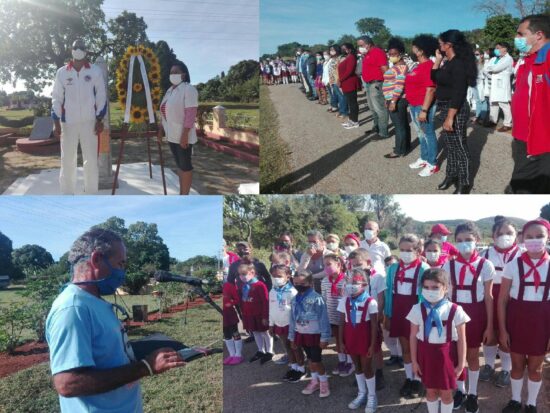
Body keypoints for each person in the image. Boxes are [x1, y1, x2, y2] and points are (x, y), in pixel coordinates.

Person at [45, 229, 184, 412]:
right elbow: (68, 383)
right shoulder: (73, 309)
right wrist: (145, 366)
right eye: (120, 263)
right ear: (96, 260)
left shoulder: (93, 300)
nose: (123, 271)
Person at [442, 221, 495, 413]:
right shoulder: (449, 265)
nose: (464, 244)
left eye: (469, 240)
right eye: (460, 240)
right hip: (453, 313)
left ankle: (473, 393)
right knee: (455, 355)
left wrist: (489, 326)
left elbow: (489, 297)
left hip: (476, 314)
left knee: (472, 355)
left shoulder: (485, 264)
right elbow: (444, 294)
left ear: (477, 240)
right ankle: (460, 390)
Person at [498, 218, 550, 413]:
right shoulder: (513, 265)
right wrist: (503, 330)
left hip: (543, 323)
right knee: (517, 366)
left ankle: (531, 404)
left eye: (539, 236)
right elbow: (502, 300)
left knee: (536, 369)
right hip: (517, 320)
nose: (534, 240)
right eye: (529, 236)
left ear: (547, 237)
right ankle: (515, 400)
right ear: (522, 238)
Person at [408, 268, 469, 413]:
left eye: (435, 287)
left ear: (445, 288)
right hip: (426, 355)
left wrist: (461, 364)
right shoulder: (417, 309)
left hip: (447, 356)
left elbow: (462, 339)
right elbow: (412, 337)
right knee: (430, 392)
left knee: (446, 394)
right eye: (426, 287)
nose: (430, 291)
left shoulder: (455, 309)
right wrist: (414, 362)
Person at [51, 38, 107, 195]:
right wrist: (56, 122)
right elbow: (56, 97)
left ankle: (91, 194)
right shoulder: (62, 72)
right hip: (68, 123)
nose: (79, 50)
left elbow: (101, 96)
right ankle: (67, 194)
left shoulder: (95, 71)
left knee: (90, 161)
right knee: (67, 160)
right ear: (71, 50)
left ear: (86, 50)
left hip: (90, 122)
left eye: (82, 47)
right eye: (76, 47)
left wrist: (100, 118)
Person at [432, 30, 478, 194]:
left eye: (440, 43)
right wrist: (438, 60)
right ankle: (451, 175)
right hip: (445, 106)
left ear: (448, 44)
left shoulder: (458, 63)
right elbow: (435, 76)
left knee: (459, 146)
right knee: (451, 146)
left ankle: (464, 183)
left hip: (455, 108)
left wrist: (450, 117)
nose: (439, 45)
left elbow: (459, 91)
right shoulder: (448, 61)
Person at [384, 234, 429, 399]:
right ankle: (409, 378)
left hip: (417, 312)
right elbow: (390, 292)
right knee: (406, 348)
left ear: (418, 251)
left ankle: (419, 379)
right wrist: (388, 314)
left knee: (418, 347)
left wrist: (423, 316)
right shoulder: (393, 269)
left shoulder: (424, 268)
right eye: (402, 250)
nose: (405, 253)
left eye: (409, 250)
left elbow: (426, 295)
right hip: (399, 310)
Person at [509, 14, 550, 194]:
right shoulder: (527, 59)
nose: (517, 38)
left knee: (522, 188)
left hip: (540, 143)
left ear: (538, 35)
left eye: (521, 34)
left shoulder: (547, 58)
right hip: (522, 137)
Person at [479, 216, 521, 387]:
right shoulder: (485, 254)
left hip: (512, 299)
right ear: (493, 235)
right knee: (490, 334)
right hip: (489, 296)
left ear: (516, 235)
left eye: (509, 233)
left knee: (506, 335)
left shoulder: (523, 254)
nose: (505, 236)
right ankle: (489, 365)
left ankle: (506, 368)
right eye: (500, 233)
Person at [338, 268, 379, 412]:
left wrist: (372, 345)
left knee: (367, 367)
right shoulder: (345, 300)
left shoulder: (370, 301)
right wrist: (341, 342)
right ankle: (362, 393)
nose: (351, 285)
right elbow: (342, 323)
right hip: (350, 337)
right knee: (357, 366)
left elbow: (374, 325)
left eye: (355, 282)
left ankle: (372, 396)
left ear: (364, 284)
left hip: (365, 337)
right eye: (349, 281)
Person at [348, 248, 388, 390]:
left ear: (368, 262)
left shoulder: (378, 277)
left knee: (375, 347)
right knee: (360, 346)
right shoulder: (352, 277)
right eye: (353, 265)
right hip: (357, 318)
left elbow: (382, 298)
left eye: (358, 264)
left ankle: (379, 372)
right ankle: (363, 372)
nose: (355, 268)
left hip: (373, 316)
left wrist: (379, 316)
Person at [289, 270, 332, 398]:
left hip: (314, 335)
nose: (299, 285)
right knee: (310, 359)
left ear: (310, 283)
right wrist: (292, 336)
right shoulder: (294, 300)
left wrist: (324, 337)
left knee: (316, 361)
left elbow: (323, 319)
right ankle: (314, 381)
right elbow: (292, 319)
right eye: (296, 283)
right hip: (302, 334)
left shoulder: (317, 299)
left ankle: (324, 382)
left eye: (302, 283)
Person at [159, 61, 197, 195]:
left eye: (176, 72)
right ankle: (182, 192)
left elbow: (190, 113)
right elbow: (165, 112)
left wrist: (185, 134)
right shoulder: (169, 91)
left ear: (184, 75)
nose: (172, 75)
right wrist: (161, 129)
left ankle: (184, 194)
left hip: (182, 135)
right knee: (180, 165)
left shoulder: (188, 89)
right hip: (171, 135)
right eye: (171, 72)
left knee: (185, 166)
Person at [406, 35, 441, 177]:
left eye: (414, 47)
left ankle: (432, 163)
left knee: (428, 134)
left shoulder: (428, 66)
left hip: (423, 106)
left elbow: (431, 89)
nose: (411, 49)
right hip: (413, 104)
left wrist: (424, 110)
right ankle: (424, 158)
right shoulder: (418, 66)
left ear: (420, 51)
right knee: (420, 134)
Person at [269, 265, 305, 381]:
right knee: (287, 347)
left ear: (288, 276)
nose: (276, 278)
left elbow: (298, 311)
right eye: (274, 276)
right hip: (279, 324)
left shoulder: (292, 292)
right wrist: (271, 324)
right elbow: (271, 308)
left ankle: (301, 369)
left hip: (291, 325)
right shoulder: (272, 291)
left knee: (295, 347)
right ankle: (293, 367)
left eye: (279, 276)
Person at [321, 254, 353, 376]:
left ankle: (350, 362)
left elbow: (351, 297)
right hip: (332, 316)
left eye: (329, 264)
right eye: (324, 265)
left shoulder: (347, 280)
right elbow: (324, 299)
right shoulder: (324, 281)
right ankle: (341, 360)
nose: (326, 267)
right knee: (338, 340)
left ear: (339, 265)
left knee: (346, 340)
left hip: (345, 317)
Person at [237, 263, 272, 364]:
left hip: (260, 315)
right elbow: (243, 302)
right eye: (240, 274)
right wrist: (244, 315)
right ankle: (261, 350)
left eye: (244, 274)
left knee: (265, 333)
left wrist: (265, 316)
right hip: (249, 314)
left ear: (252, 273)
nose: (242, 277)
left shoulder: (260, 285)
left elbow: (265, 302)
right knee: (256, 332)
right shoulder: (244, 286)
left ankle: (269, 351)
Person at [382, 38, 411, 159]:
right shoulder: (397, 66)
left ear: (401, 54)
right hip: (393, 98)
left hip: (397, 100)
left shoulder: (401, 67)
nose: (391, 56)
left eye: (394, 54)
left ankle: (399, 150)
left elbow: (399, 85)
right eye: (390, 54)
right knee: (403, 124)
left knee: (399, 126)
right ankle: (405, 147)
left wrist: (393, 101)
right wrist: (386, 99)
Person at [357, 36, 389, 139]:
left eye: (361, 45)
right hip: (368, 84)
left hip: (376, 84)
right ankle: (376, 127)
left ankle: (383, 132)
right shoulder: (367, 54)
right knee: (372, 108)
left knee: (380, 109)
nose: (360, 48)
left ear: (368, 44)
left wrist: (388, 85)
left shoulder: (378, 52)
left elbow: (385, 69)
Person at [485, 42, 514, 132]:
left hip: (501, 84)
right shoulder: (494, 58)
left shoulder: (508, 59)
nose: (496, 50)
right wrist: (491, 72)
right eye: (496, 48)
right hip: (493, 83)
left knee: (503, 103)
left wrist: (492, 69)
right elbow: (485, 69)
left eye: (498, 48)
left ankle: (507, 124)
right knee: (493, 103)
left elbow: (495, 69)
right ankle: (492, 120)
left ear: (504, 49)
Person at [338, 43, 362, 129]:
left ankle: (354, 121)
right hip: (346, 82)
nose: (343, 50)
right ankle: (351, 119)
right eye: (342, 48)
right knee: (350, 102)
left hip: (350, 82)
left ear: (349, 49)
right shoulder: (348, 56)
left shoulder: (351, 57)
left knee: (352, 103)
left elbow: (349, 71)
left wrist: (340, 80)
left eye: (344, 48)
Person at [223, 279, 243, 365]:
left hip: (230, 314)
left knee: (235, 333)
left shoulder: (228, 285)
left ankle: (238, 354)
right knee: (226, 335)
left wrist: (231, 303)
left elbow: (237, 299)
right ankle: (231, 354)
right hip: (221, 316)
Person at [328, 45, 349, 119]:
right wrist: (330, 80)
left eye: (333, 50)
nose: (331, 51)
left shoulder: (342, 58)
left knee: (342, 96)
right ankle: (341, 110)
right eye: (330, 50)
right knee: (338, 96)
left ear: (337, 50)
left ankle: (344, 112)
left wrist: (339, 80)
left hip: (339, 80)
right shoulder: (332, 59)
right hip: (333, 81)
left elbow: (343, 70)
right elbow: (331, 70)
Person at [472, 49, 489, 125]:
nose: (476, 56)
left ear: (482, 55)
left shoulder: (486, 63)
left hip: (482, 83)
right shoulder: (474, 63)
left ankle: (482, 117)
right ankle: (477, 115)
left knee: (483, 100)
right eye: (475, 54)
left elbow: (486, 74)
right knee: (477, 100)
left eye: (477, 54)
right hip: (475, 83)